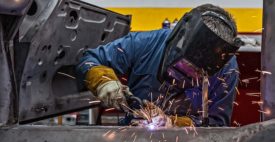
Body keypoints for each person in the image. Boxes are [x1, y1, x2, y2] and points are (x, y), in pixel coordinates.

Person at [76, 4, 242, 127]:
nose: (183, 77)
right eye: (183, 66)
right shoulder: (145, 43)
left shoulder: (226, 69)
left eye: (197, 73)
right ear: (179, 38)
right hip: (131, 140)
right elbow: (89, 59)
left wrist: (174, 124)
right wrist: (104, 82)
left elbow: (218, 125)